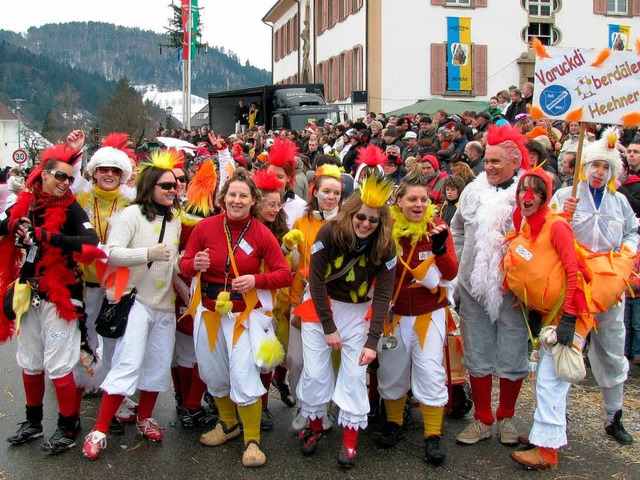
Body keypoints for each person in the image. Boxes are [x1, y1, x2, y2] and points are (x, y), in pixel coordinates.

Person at [179, 168, 292, 467]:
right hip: (209, 313)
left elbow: (284, 274)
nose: (237, 200)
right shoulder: (205, 227)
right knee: (214, 374)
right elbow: (185, 264)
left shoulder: (261, 232)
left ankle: (252, 440)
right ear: (222, 198)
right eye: (232, 194)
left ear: (253, 200)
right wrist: (195, 263)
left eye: (244, 195)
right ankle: (228, 424)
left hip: (243, 317)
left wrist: (256, 280)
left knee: (243, 374)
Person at [82, 150, 183, 459]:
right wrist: (147, 254)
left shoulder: (175, 218)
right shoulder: (131, 215)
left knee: (157, 363)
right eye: (165, 186)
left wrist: (186, 285)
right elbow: (111, 253)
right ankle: (98, 430)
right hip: (135, 299)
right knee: (128, 361)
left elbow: (173, 261)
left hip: (164, 303)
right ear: (150, 186)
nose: (172, 190)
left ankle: (145, 417)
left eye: (175, 186)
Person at [1, 144, 100, 454]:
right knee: (30, 361)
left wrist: (47, 237)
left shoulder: (71, 207)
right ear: (43, 175)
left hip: (62, 296)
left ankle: (68, 425)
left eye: (70, 179)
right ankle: (33, 422)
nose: (65, 183)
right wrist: (12, 225)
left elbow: (92, 245)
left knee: (59, 365)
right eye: (60, 176)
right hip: (28, 293)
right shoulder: (24, 204)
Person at [295, 174, 396, 468]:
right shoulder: (329, 233)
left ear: (381, 223)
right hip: (321, 307)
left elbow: (383, 296)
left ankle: (349, 443)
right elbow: (315, 282)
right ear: (351, 212)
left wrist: (372, 340)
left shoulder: (386, 246)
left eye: (373, 221)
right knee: (315, 374)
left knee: (353, 377)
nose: (366, 224)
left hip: (357, 313)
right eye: (361, 217)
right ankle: (315, 427)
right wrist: (328, 327)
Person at [548, 128, 638, 446]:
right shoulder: (566, 194)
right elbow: (551, 228)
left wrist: (626, 254)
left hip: (610, 287)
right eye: (595, 166)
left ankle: (614, 416)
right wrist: (562, 216)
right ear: (585, 167)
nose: (599, 172)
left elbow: (632, 232)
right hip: (576, 285)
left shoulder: (620, 202)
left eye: (606, 167)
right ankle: (559, 414)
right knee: (567, 350)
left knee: (613, 353)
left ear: (613, 171)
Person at [504, 168, 590, 469]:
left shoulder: (557, 227)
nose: (527, 197)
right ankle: (544, 436)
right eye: (522, 190)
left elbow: (574, 270)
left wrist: (568, 316)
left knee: (550, 382)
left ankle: (547, 451)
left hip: (570, 316)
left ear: (545, 196)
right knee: (546, 379)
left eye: (535, 191)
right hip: (549, 317)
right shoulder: (529, 226)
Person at [450, 124, 530, 447]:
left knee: (513, 356)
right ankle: (482, 419)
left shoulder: (527, 192)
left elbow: (544, 232)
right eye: (487, 160)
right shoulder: (471, 191)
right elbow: (456, 229)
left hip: (514, 291)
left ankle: (506, 418)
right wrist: (457, 271)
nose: (489, 167)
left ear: (514, 162)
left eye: (497, 161)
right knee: (476, 352)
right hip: (472, 289)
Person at [376, 164, 458, 466]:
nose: (418, 205)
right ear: (399, 202)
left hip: (428, 313)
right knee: (392, 369)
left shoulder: (438, 229)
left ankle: (433, 434)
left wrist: (441, 251)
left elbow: (451, 274)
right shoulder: (385, 229)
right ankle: (394, 422)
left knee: (429, 369)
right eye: (412, 199)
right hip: (394, 314)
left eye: (423, 200)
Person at [73, 133, 136, 431]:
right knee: (86, 333)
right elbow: (66, 181)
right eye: (103, 169)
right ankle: (87, 381)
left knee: (114, 337)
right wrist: (74, 152)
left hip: (117, 280)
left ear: (122, 175)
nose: (109, 175)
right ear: (94, 172)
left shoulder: (131, 201)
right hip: (86, 280)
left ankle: (113, 389)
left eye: (115, 170)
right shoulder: (82, 197)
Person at [288, 164, 344, 433]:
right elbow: (291, 262)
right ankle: (304, 404)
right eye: (326, 191)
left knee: (330, 360)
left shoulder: (347, 223)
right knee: (298, 360)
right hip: (303, 299)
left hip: (336, 302)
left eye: (336, 192)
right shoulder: (301, 222)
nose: (331, 197)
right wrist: (289, 250)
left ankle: (325, 409)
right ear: (315, 193)